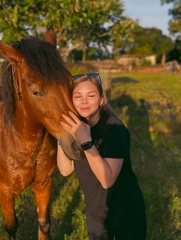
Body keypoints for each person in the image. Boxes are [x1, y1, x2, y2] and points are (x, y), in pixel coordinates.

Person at [57, 72, 147, 240]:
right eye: (77, 96)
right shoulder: (78, 127)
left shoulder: (114, 128)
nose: (84, 101)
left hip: (125, 212)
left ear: (101, 99)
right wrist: (62, 133)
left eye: (91, 95)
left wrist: (87, 142)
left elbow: (107, 180)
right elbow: (65, 170)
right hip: (95, 215)